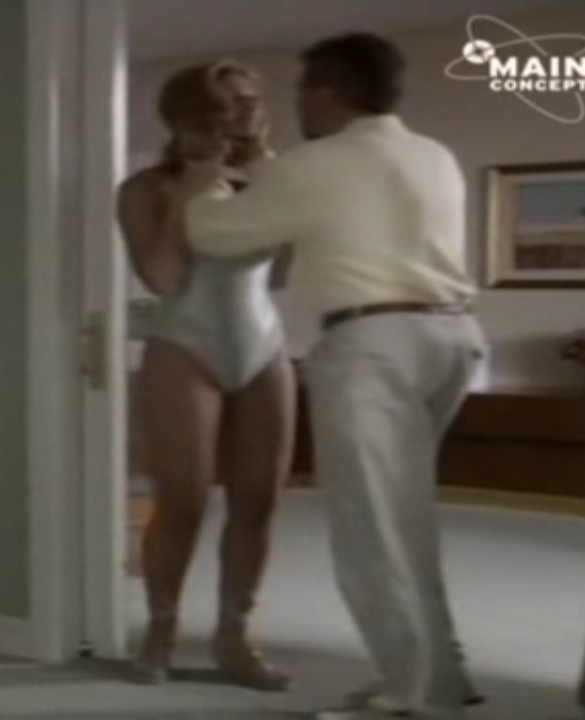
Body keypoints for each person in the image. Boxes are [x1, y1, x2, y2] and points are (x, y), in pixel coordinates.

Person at [173, 32, 489, 719]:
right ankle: (438, 674)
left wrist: (203, 182)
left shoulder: (319, 163)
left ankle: (414, 697)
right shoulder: (430, 154)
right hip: (450, 339)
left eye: (300, 92)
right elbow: (321, 197)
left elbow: (215, 234)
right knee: (403, 516)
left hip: (374, 347)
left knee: (372, 529)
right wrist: (262, 165)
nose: (295, 105)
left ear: (325, 93)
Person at [115, 59, 295, 691]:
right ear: (190, 115)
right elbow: (163, 278)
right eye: (232, 101)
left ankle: (234, 639)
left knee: (259, 502)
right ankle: (160, 633)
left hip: (263, 345)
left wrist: (269, 178)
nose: (249, 110)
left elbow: (280, 275)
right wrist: (193, 190)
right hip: (184, 346)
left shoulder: (268, 180)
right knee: (183, 501)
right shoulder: (145, 188)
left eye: (253, 100)